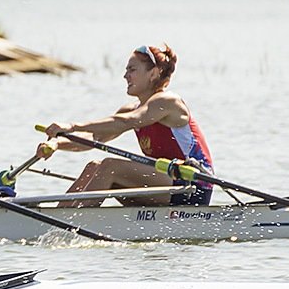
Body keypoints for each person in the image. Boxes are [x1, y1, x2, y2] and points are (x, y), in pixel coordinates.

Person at [38, 44, 214, 209]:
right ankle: (58, 217)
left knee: (110, 166)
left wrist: (72, 126)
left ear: (153, 73)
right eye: (126, 70)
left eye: (132, 69)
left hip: (193, 186)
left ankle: (73, 223)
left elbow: (129, 121)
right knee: (94, 165)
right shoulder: (130, 109)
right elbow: (95, 139)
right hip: (168, 184)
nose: (125, 76)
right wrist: (57, 144)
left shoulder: (168, 101)